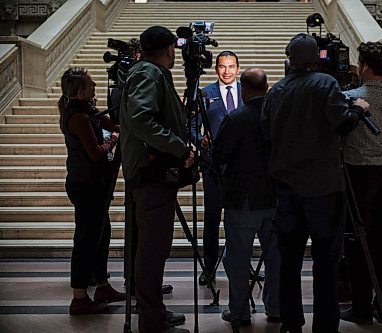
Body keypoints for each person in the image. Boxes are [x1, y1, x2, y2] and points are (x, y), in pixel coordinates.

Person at [261, 33, 369, 333]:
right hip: (323, 189)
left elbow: (266, 134)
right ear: (315, 59)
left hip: (287, 189)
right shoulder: (326, 84)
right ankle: (325, 325)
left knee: (289, 261)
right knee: (326, 262)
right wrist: (358, 109)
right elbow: (342, 123)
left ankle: (291, 323)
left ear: (289, 59)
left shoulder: (276, 92)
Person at [120, 26, 193, 333]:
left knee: (155, 246)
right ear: (168, 50)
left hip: (153, 175)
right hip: (150, 176)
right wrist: (178, 146)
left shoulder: (149, 72)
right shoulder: (148, 73)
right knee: (152, 248)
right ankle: (151, 320)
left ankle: (155, 311)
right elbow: (141, 118)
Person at [340, 42, 382, 325]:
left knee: (357, 241)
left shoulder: (351, 96)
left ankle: (361, 307)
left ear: (365, 66)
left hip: (359, 174)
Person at [212, 68, 280, 326]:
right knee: (276, 257)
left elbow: (220, 157)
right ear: (266, 87)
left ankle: (240, 312)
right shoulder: (278, 117)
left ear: (243, 89)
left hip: (243, 199)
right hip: (275, 197)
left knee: (238, 259)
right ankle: (275, 308)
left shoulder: (236, 118)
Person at [58, 67, 125, 315]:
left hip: (92, 185)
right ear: (79, 90)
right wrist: (113, 139)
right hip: (86, 185)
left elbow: (109, 121)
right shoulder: (79, 117)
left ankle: (102, 285)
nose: (95, 88)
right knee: (86, 239)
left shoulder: (87, 112)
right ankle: (79, 297)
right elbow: (96, 153)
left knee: (101, 234)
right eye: (91, 85)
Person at [192, 50, 244, 285]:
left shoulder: (247, 91)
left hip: (242, 165)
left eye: (231, 66)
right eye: (222, 67)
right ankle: (209, 267)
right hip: (212, 164)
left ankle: (243, 266)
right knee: (212, 218)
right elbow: (191, 127)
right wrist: (199, 138)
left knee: (241, 219)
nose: (227, 71)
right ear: (216, 69)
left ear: (238, 69)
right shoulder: (205, 94)